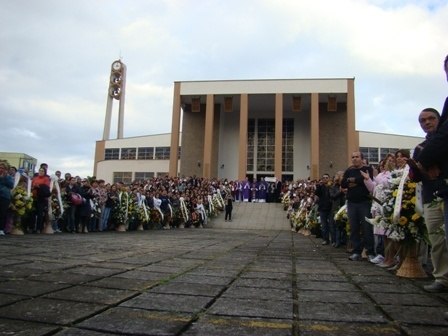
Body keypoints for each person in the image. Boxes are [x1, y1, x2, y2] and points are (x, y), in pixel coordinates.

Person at [412, 107, 448, 292]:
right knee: (436, 239)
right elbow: (415, 176)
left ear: (439, 120)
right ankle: (442, 277)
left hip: (445, 190)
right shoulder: (419, 148)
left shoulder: (443, 140)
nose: (426, 123)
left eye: (430, 119)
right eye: (422, 121)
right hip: (430, 195)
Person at [341, 151, 375, 261]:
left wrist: (353, 180)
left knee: (367, 228)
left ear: (361, 158)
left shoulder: (367, 169)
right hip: (352, 202)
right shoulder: (349, 170)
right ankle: (356, 251)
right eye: (353, 157)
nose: (354, 159)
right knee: (354, 228)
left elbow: (366, 179)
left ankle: (370, 251)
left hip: (364, 202)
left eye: (357, 157)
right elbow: (343, 184)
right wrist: (357, 181)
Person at [315, 173, 334, 245]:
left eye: (327, 177)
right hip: (322, 208)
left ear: (329, 179)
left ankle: (333, 240)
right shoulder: (321, 187)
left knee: (331, 225)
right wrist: (319, 185)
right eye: (324, 178)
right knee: (324, 225)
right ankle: (325, 239)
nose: (325, 179)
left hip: (330, 208)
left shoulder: (331, 186)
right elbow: (316, 193)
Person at [0, 161, 14, 236]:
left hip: (4, 196)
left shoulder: (8, 177)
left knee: (2, 213)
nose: (1, 169)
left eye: (2, 168)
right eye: (0, 167)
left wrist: (4, 177)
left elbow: (11, 185)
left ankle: (1, 229)